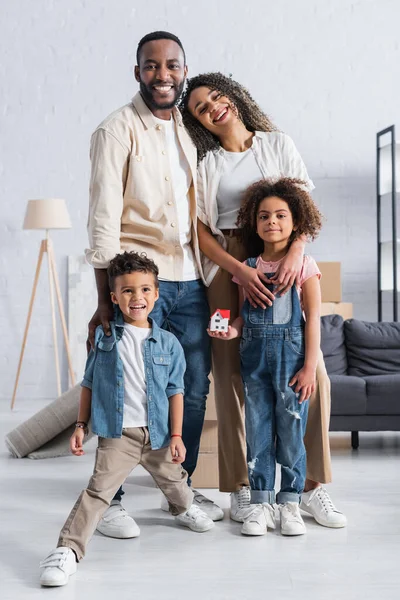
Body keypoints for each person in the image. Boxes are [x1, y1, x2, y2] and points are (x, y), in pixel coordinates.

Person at [180, 72, 346, 528]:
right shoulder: (206, 161)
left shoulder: (277, 144)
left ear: (233, 96)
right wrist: (237, 269)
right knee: (233, 377)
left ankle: (310, 486)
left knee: (311, 375)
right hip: (229, 265)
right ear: (198, 122)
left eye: (216, 95)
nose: (213, 106)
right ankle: (242, 489)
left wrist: (295, 251)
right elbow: (198, 229)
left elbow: (304, 207)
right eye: (200, 107)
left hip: (283, 256)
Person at [86, 33, 223, 538]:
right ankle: (113, 497)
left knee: (189, 386)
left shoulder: (192, 128)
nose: (162, 75)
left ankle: (178, 489)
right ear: (137, 71)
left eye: (171, 65)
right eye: (151, 66)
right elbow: (102, 219)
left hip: (192, 280)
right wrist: (105, 299)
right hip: (139, 284)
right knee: (121, 385)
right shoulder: (116, 130)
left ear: (184, 68)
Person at [39, 252, 214, 588]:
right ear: (114, 297)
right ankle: (67, 551)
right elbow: (88, 384)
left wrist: (176, 436)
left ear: (156, 294)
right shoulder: (105, 339)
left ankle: (184, 507)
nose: (138, 298)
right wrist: (80, 426)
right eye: (129, 291)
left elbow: (176, 390)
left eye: (145, 290)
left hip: (159, 434)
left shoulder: (169, 343)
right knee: (98, 492)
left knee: (175, 482)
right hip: (118, 435)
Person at [209, 177, 322, 536]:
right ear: (254, 223)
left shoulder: (305, 267)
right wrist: (232, 331)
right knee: (257, 431)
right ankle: (261, 504)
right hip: (254, 363)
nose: (271, 222)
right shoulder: (248, 268)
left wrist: (309, 369)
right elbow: (245, 316)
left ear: (295, 222)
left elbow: (313, 319)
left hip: (292, 365)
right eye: (263, 216)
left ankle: (289, 503)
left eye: (280, 215)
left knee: (290, 430)